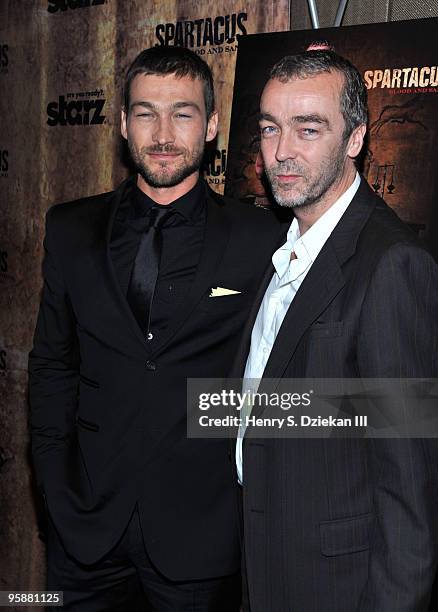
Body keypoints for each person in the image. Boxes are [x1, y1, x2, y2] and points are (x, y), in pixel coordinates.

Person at [28, 46, 284, 611]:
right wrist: (54, 488)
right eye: (146, 113)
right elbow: (52, 365)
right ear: (122, 123)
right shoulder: (71, 229)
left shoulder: (260, 239)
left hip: (202, 533)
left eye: (183, 113)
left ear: (213, 124)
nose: (163, 133)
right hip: (86, 532)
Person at [234, 50, 438, 611]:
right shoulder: (278, 244)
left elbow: (410, 493)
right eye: (270, 128)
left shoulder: (393, 265)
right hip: (262, 567)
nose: (282, 152)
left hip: (335, 589)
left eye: (309, 128)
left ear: (354, 139)